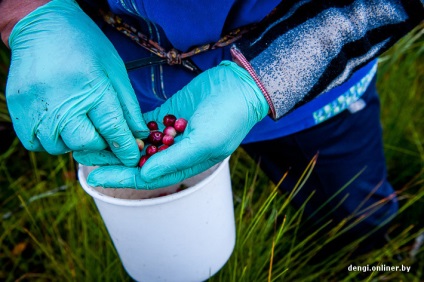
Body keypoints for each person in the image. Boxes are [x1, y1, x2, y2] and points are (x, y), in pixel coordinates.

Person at [1, 0, 423, 256]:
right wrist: (25, 13)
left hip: (310, 84)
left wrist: (265, 78)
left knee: (352, 207)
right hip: (123, 79)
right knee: (162, 194)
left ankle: (377, 263)